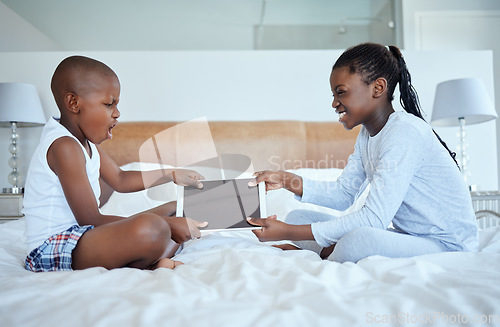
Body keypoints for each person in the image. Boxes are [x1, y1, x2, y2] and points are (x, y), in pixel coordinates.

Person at [247, 42, 478, 263]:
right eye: (334, 95)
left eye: (341, 92)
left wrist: (289, 233)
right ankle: (328, 253)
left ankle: (321, 257)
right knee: (298, 217)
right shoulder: (367, 136)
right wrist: (287, 180)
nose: (334, 103)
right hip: (410, 237)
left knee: (359, 240)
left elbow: (374, 219)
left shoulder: (404, 132)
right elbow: (343, 194)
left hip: (447, 244)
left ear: (377, 88)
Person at [23, 55, 206, 272]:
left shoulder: (83, 143)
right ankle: (154, 255)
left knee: (176, 210)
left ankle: (152, 258)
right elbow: (89, 218)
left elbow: (120, 179)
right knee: (153, 227)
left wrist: (171, 174)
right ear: (74, 103)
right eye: (109, 104)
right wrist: (165, 226)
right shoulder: (64, 146)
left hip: (82, 236)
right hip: (53, 247)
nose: (117, 113)